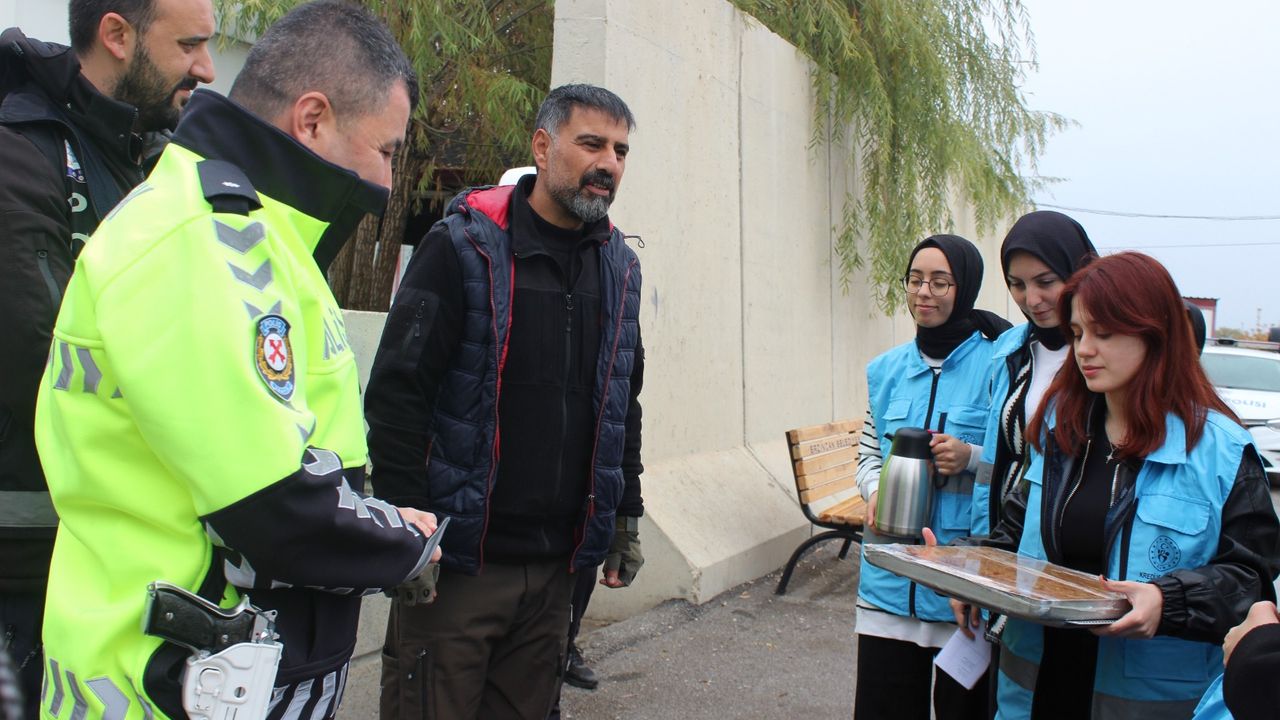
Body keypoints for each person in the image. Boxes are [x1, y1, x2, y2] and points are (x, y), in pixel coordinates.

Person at [33, 3, 442, 718]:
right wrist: (401, 540)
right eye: (385, 150)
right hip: (158, 684)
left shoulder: (258, 233)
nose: (386, 181)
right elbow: (273, 499)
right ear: (311, 120)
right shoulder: (203, 239)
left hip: (223, 673)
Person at [365, 83, 646, 719]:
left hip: (556, 573)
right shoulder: (460, 247)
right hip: (460, 569)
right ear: (542, 148)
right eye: (591, 144)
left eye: (621, 151)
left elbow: (623, 401)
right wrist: (410, 525)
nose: (609, 164)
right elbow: (397, 392)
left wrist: (625, 511)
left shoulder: (619, 268)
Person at [936, 252, 1280, 719]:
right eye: (1077, 333)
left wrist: (1167, 600)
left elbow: (1252, 581)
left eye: (1105, 333)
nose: (1084, 350)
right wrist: (968, 568)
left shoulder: (1222, 451)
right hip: (1035, 688)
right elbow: (1014, 535)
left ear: (1155, 335)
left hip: (1147, 701)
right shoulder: (1061, 429)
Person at [0, 1, 214, 716]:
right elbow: (43, 354)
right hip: (27, 561)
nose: (206, 69)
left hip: (113, 551)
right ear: (117, 35)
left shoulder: (156, 160)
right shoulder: (20, 154)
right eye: (188, 45)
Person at [854, 234, 1010, 720]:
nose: (924, 292)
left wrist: (969, 456)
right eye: (915, 280)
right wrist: (876, 489)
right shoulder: (887, 370)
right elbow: (867, 451)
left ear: (964, 289)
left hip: (962, 588)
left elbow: (1018, 464)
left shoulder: (998, 367)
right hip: (888, 581)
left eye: (940, 282)